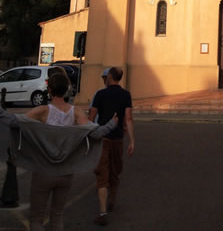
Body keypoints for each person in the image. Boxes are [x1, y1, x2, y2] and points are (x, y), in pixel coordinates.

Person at [0, 72, 116, 231]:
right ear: (66, 90)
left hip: (43, 172)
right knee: (58, 216)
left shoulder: (42, 111)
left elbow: (15, 122)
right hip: (65, 173)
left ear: (49, 90)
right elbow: (96, 133)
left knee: (36, 219)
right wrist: (112, 123)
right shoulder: (75, 112)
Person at [89, 66, 134, 226]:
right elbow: (128, 119)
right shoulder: (126, 95)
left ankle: (102, 212)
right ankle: (112, 200)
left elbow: (92, 116)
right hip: (118, 139)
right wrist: (132, 141)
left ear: (109, 77)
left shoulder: (100, 94)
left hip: (102, 139)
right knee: (115, 172)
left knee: (102, 175)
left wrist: (88, 135)